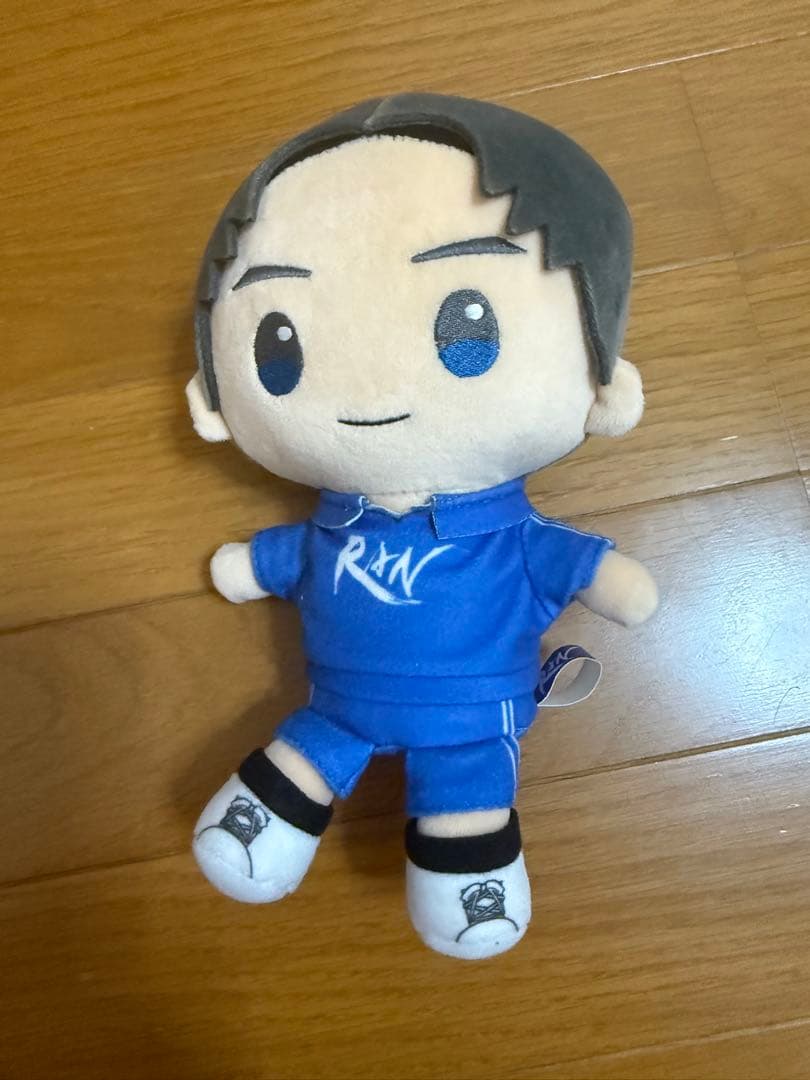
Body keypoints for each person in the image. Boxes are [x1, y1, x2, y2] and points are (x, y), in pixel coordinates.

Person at [186, 94, 658, 960]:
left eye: (466, 328)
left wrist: (609, 579)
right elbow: (292, 558)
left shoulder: (509, 537)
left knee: (466, 780)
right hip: (337, 703)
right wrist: (253, 565)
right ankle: (268, 822)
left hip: (471, 713)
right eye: (278, 346)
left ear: (603, 385)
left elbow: (579, 566)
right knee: (317, 742)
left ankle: (466, 880)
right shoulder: (333, 524)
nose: (372, 391)